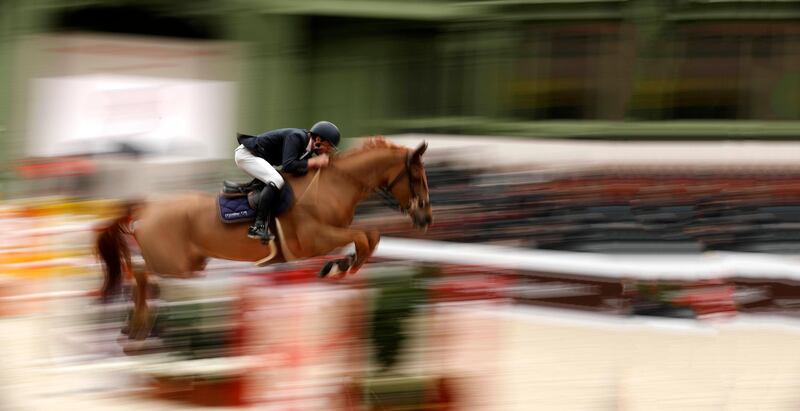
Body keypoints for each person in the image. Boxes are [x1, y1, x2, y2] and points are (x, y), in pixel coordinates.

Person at [234, 121, 340, 242]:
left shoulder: (307, 149)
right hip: (246, 155)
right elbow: (288, 166)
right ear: (318, 140)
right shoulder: (297, 136)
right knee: (276, 180)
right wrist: (315, 162)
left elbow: (298, 169)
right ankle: (258, 226)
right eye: (329, 145)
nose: (329, 150)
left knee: (278, 180)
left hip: (256, 157)